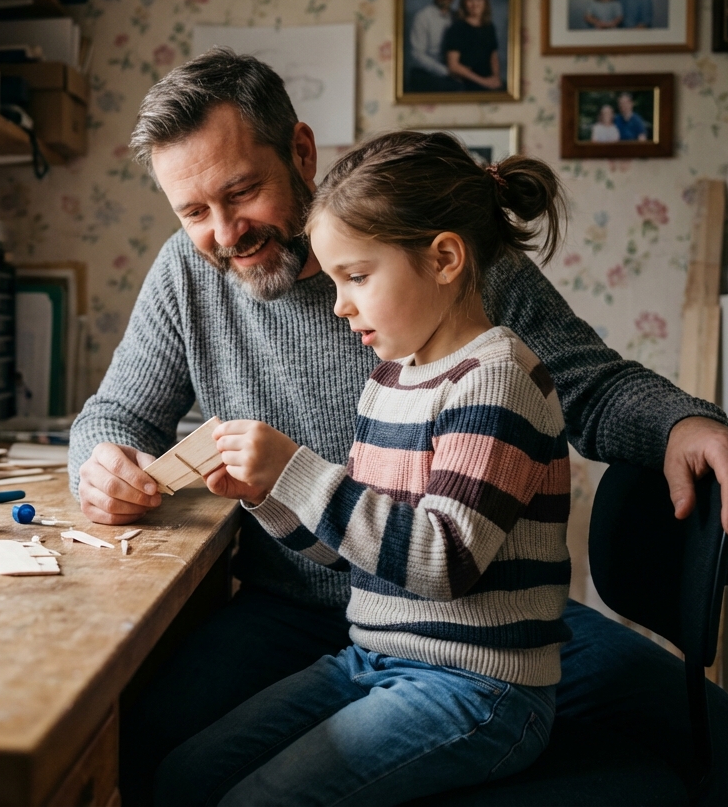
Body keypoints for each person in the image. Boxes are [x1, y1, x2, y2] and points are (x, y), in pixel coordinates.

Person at [71, 49, 728, 806]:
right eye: (193, 212)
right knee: (144, 749)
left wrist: (681, 423)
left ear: (301, 152)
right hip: (298, 609)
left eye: (242, 192)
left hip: (470, 620)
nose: (224, 233)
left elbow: (587, 383)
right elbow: (112, 416)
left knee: (726, 748)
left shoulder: (434, 250)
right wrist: (101, 462)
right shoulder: (186, 273)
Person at [155, 131, 571, 807]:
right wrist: (267, 495)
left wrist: (296, 470)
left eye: (356, 277)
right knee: (184, 777)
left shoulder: (497, 381)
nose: (341, 303)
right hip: (377, 660)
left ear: (443, 258)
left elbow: (442, 562)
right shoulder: (390, 381)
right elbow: (348, 554)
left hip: (479, 689)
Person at [408, 0, 463, 92]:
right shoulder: (422, 17)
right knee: (459, 90)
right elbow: (417, 55)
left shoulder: (457, 16)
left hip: (451, 72)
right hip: (426, 74)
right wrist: (447, 72)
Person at [442, 0, 502, 92]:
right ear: (464, 3)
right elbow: (453, 65)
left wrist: (495, 78)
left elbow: (493, 56)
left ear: (485, 2)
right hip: (466, 84)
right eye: (470, 0)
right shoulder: (456, 28)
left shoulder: (489, 26)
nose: (475, 4)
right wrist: (484, 82)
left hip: (489, 81)